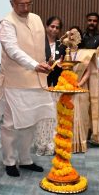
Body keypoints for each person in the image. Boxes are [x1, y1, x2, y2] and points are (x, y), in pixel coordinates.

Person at [0, 0, 55, 177]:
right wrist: (34, 64)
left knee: (31, 121)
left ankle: (25, 159)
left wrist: (48, 62)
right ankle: (10, 161)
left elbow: (42, 46)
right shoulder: (7, 22)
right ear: (12, 3)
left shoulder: (37, 18)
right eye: (22, 4)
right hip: (16, 81)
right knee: (12, 124)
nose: (26, 7)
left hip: (38, 80)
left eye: (29, 3)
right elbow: (12, 50)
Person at [34, 16, 65, 156]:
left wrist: (61, 64)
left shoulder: (62, 46)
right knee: (42, 115)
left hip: (56, 85)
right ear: (46, 27)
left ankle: (52, 144)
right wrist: (48, 61)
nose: (54, 29)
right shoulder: (39, 43)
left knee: (54, 115)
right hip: (42, 84)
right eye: (52, 26)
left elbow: (64, 65)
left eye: (57, 27)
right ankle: (41, 144)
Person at [67, 27, 99, 153]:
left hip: (81, 87)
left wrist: (79, 83)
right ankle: (68, 142)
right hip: (68, 87)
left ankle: (80, 143)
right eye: (70, 34)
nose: (72, 37)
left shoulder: (86, 53)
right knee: (68, 115)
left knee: (81, 115)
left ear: (80, 37)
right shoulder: (66, 52)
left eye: (75, 34)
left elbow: (89, 71)